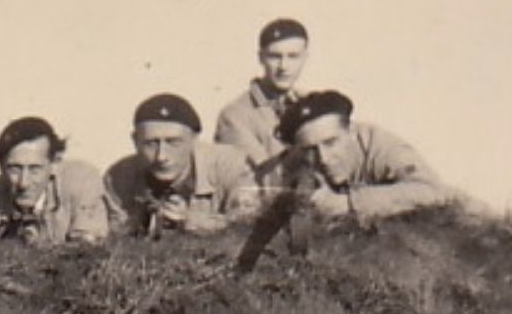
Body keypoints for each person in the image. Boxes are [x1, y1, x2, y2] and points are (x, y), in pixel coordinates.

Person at [266, 90, 453, 219]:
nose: (323, 158)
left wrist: (348, 203)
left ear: (351, 131)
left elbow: (432, 191)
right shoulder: (296, 157)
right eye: (311, 150)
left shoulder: (383, 149)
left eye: (331, 142)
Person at [103, 93, 261, 237]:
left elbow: (248, 223)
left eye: (173, 142)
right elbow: (110, 234)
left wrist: (190, 220)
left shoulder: (230, 164)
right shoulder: (118, 178)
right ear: (135, 141)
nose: (161, 156)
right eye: (151, 143)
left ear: (194, 140)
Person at [0, 116, 108, 245]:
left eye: (35, 169)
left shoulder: (80, 182)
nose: (24, 183)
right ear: (0, 166)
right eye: (14, 169)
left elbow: (86, 251)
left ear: (55, 164)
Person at [214, 17, 311, 165]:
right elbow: (262, 178)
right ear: (261, 58)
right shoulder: (234, 116)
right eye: (275, 57)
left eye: (293, 56)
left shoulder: (308, 104)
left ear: (305, 58)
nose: (283, 66)